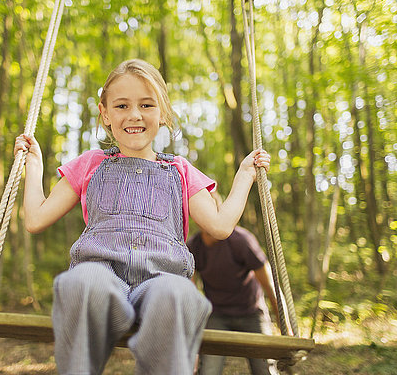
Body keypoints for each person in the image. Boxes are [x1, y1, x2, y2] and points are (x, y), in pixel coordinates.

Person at [14, 59, 270, 375]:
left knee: (178, 294)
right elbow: (35, 219)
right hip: (100, 273)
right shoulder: (90, 164)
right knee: (79, 282)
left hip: (162, 279)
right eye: (122, 105)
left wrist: (244, 175)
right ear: (105, 113)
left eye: (146, 105)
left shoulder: (179, 171)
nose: (134, 114)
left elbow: (219, 227)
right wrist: (34, 166)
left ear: (161, 113)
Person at [188, 217, 280, 375]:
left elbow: (270, 286)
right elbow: (189, 294)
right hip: (217, 315)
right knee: (208, 370)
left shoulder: (241, 240)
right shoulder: (194, 246)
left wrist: (285, 326)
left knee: (265, 370)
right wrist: (191, 341)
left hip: (251, 312)